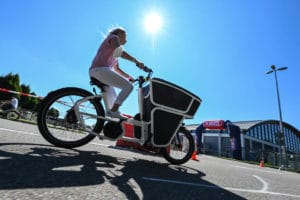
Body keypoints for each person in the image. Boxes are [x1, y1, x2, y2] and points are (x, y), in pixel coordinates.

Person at [89, 27, 145, 119]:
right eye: (125, 37)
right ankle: (114, 111)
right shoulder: (114, 37)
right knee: (128, 87)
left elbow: (117, 69)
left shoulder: (114, 54)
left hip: (98, 72)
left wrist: (129, 77)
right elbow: (120, 52)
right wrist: (136, 61)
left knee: (113, 102)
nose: (126, 40)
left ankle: (112, 118)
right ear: (119, 33)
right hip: (100, 70)